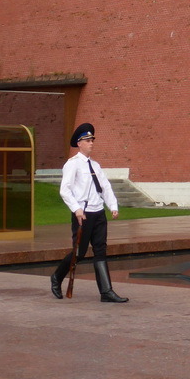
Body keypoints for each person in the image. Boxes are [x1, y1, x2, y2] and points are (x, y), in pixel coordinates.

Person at [49, 123, 128, 303]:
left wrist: (112, 205)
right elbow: (65, 190)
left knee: (100, 251)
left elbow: (105, 187)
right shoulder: (73, 165)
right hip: (83, 214)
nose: (91, 142)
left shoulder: (95, 165)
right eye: (87, 140)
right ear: (79, 143)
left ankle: (106, 291)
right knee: (80, 252)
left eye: (92, 139)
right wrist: (76, 209)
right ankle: (57, 277)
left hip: (98, 212)